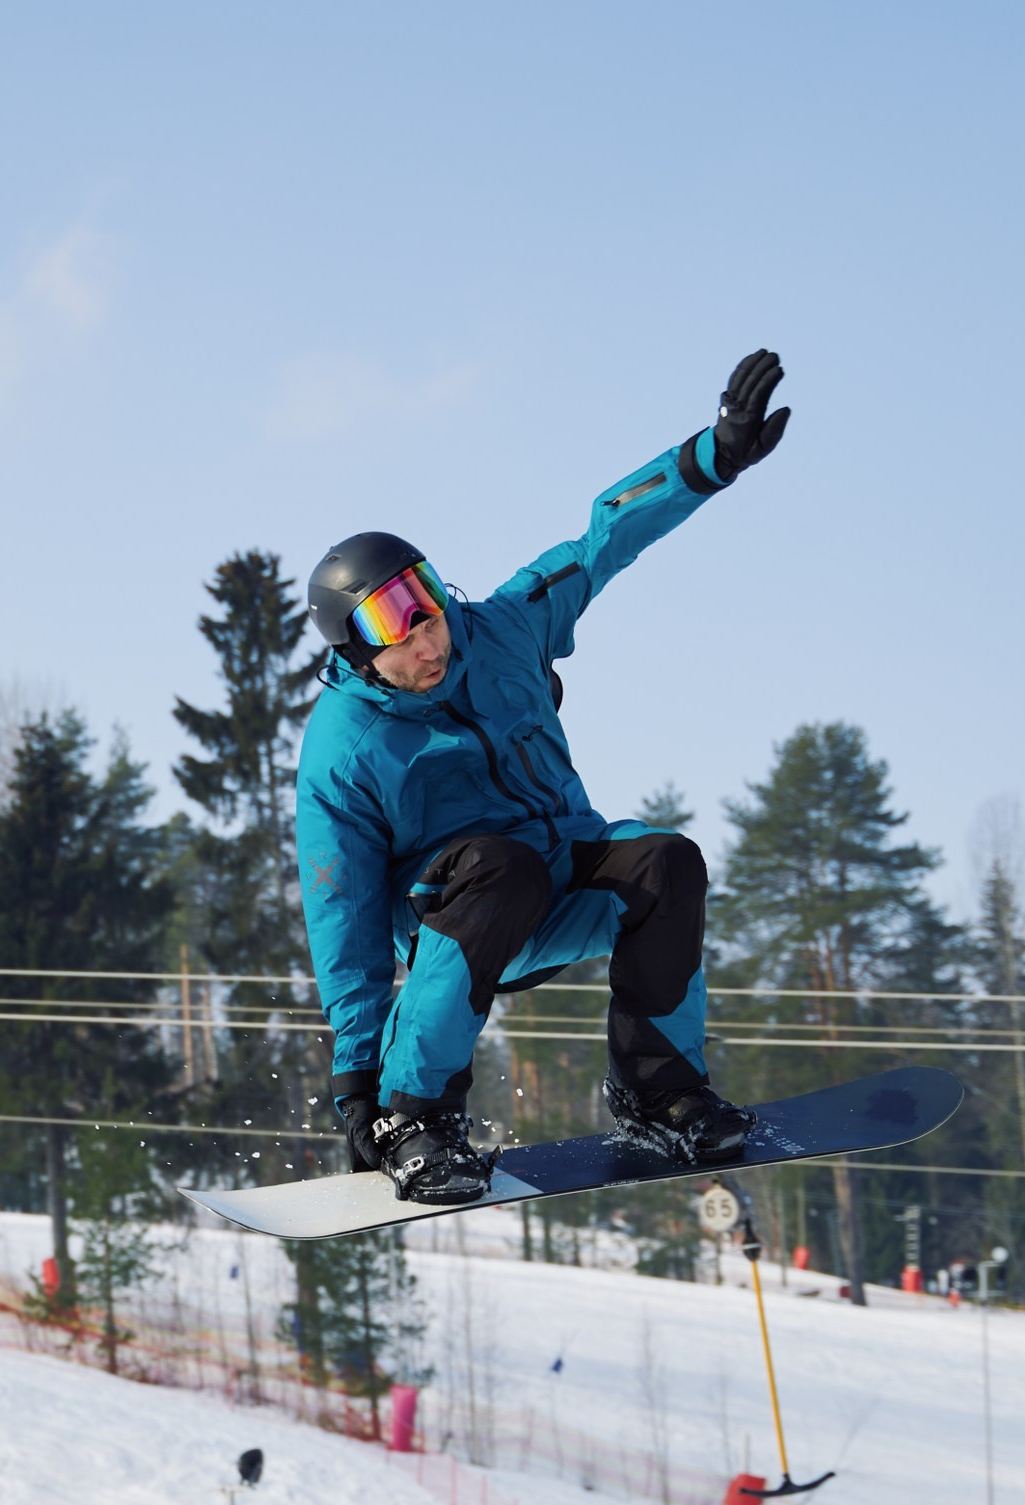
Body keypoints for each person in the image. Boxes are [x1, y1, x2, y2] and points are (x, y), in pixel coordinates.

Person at [295, 351, 793, 1205]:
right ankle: (418, 1117)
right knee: (499, 863)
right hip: (467, 916)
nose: (427, 637)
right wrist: (357, 1079)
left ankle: (659, 1092)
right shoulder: (343, 751)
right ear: (356, 650)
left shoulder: (502, 627)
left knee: (666, 860)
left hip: (565, 880)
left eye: (425, 602)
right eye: (395, 625)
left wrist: (708, 459)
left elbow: (602, 537)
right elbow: (339, 915)